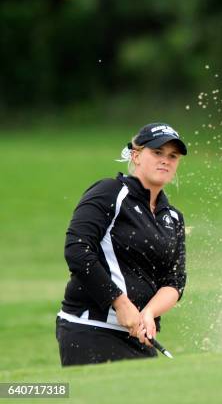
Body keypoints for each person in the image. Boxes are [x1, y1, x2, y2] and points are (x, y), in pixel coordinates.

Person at [56, 123, 188, 366]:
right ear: (136, 156)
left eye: (172, 156)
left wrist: (149, 313)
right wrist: (120, 303)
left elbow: (175, 281)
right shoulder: (109, 192)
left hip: (140, 337)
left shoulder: (173, 218)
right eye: (157, 153)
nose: (165, 161)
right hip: (90, 329)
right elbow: (77, 250)